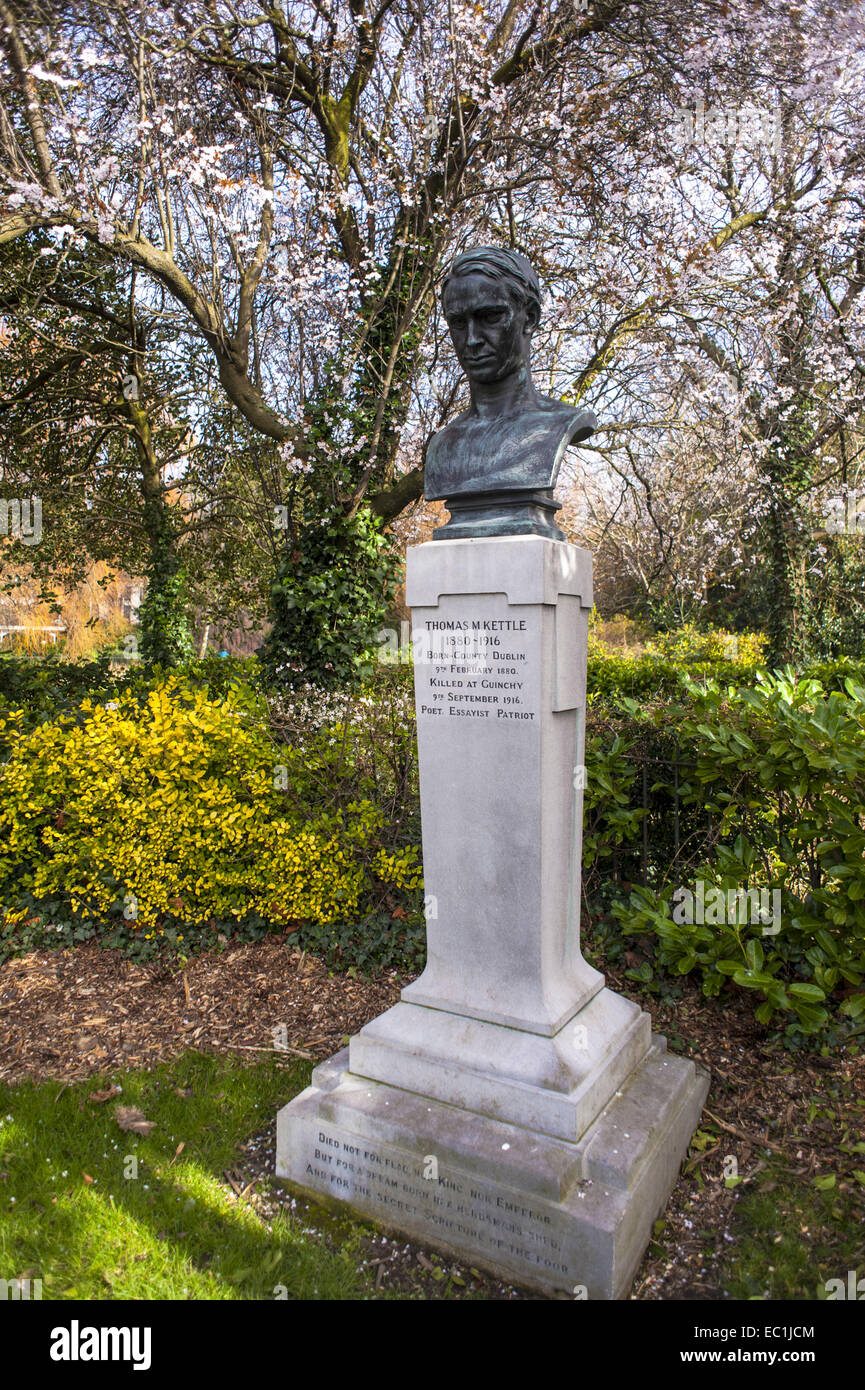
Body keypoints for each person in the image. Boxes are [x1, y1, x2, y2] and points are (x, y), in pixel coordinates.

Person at [424, 246, 596, 538]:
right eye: (458, 323)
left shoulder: (557, 427)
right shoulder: (443, 446)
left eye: (490, 317)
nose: (473, 339)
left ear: (529, 318)